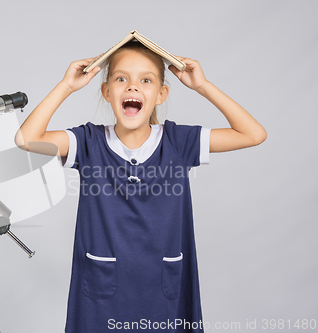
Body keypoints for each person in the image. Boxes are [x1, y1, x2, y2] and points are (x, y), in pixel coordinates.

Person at [15, 41, 266, 332]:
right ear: (107, 92)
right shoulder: (88, 141)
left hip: (162, 291)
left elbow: (253, 133)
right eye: (121, 79)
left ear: (161, 94)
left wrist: (203, 86)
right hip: (103, 295)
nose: (133, 87)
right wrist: (66, 86)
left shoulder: (178, 141)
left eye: (146, 80)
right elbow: (27, 139)